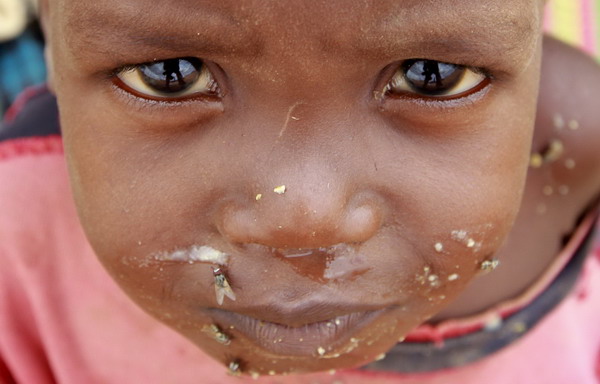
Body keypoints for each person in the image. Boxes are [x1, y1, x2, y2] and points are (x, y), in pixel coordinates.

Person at [1, 0, 599, 382]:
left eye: (429, 75)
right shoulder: (15, 222)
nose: (302, 219)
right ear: (52, 31)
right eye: (172, 73)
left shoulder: (584, 153)